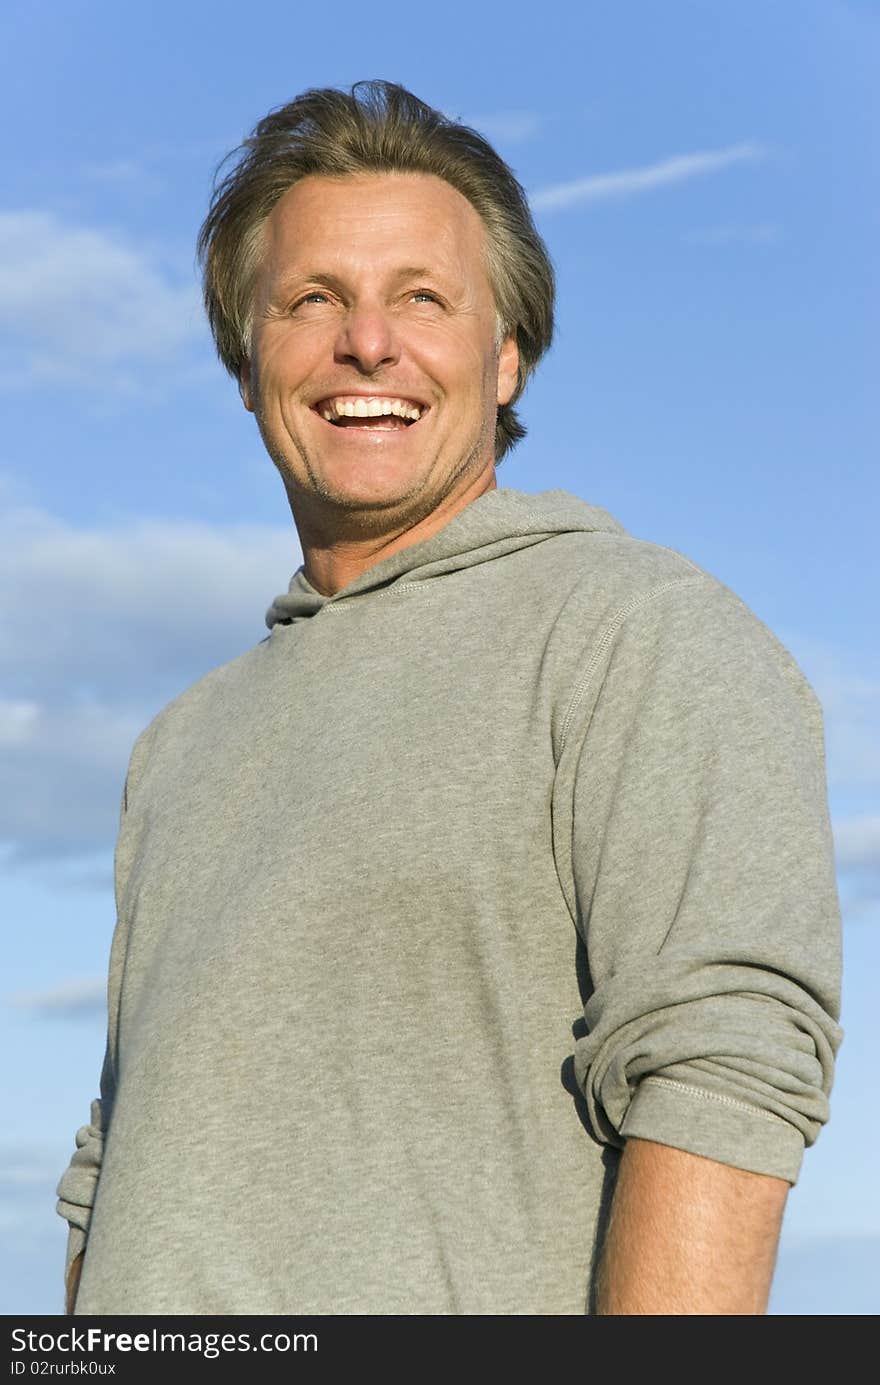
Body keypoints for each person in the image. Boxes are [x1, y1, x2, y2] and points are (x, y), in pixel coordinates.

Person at [56, 80, 843, 1317]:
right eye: (311, 299)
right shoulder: (179, 743)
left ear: (506, 354)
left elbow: (722, 1066)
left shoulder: (636, 631)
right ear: (247, 364)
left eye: (422, 297)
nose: (367, 342)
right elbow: (115, 1166)